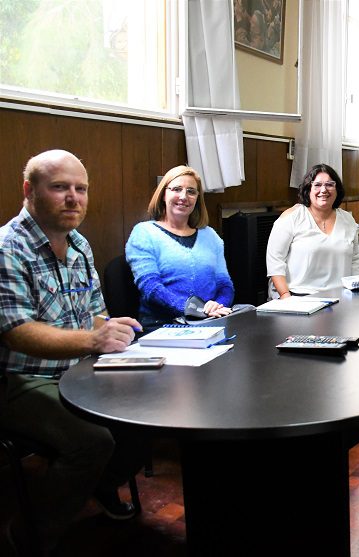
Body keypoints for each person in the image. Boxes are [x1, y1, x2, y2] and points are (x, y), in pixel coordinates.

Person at [0, 150, 145, 552]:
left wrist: (113, 332)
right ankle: (29, 535)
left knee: (155, 406)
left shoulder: (79, 245)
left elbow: (94, 314)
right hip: (23, 380)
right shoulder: (8, 249)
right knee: (92, 441)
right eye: (60, 187)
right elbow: (17, 332)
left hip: (80, 368)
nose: (73, 198)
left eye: (81, 189)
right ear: (30, 190)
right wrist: (93, 341)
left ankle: (98, 483)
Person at [126, 165, 234, 331]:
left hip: (209, 323)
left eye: (191, 191)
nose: (184, 196)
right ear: (163, 194)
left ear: (197, 198)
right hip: (163, 327)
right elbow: (151, 287)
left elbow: (225, 285)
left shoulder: (210, 236)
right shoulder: (144, 232)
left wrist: (218, 306)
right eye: (177, 189)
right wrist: (192, 309)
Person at [265, 163, 359, 299]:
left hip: (340, 297)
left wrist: (355, 293)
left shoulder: (348, 220)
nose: (323, 190)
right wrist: (285, 296)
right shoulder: (292, 217)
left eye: (329, 184)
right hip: (297, 297)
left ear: (337, 189)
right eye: (317, 185)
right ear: (308, 189)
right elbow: (275, 261)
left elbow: (355, 260)